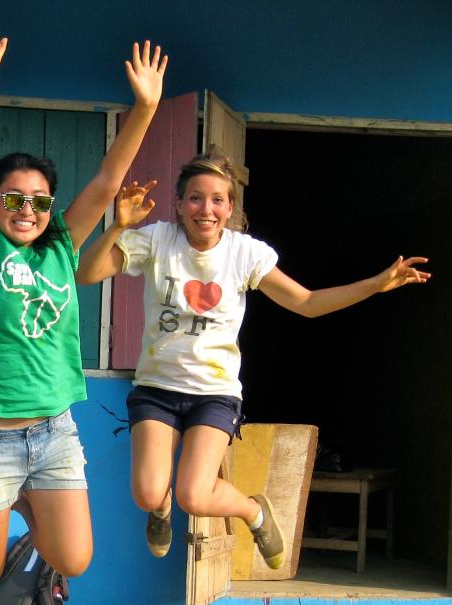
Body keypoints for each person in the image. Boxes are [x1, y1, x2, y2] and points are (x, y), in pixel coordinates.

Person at [75, 154, 430, 567]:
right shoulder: (156, 240)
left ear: (230, 208)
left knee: (194, 494)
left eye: (217, 200)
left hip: (215, 394)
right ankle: (160, 508)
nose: (205, 210)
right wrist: (119, 225)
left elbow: (308, 303)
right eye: (194, 198)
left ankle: (253, 510)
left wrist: (375, 284)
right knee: (148, 493)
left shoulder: (244, 253)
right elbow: (88, 273)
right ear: (178, 203)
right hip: (157, 389)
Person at [0, 12, 167, 589]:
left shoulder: (61, 247)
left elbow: (108, 182)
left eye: (39, 202)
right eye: (12, 200)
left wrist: (145, 109)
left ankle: (15, 502)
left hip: (53, 431)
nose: (27, 212)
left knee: (74, 559)